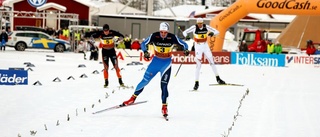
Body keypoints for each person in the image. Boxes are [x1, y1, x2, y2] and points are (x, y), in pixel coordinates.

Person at [122, 22, 189, 117]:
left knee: (164, 85)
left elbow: (184, 44)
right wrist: (145, 51)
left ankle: (164, 107)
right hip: (155, 62)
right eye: (161, 32)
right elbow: (143, 44)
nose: (163, 34)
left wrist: (186, 49)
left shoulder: (172, 37)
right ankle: (132, 99)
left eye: (165, 32)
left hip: (166, 64)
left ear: (167, 31)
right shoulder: (154, 36)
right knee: (145, 81)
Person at [182, 17, 226, 90]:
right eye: (198, 23)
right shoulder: (194, 27)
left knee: (212, 62)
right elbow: (184, 32)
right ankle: (196, 83)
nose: (199, 25)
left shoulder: (206, 27)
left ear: (202, 23)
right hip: (198, 46)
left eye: (201, 23)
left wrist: (212, 33)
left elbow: (217, 32)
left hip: (205, 46)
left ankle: (218, 79)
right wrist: (186, 36)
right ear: (197, 23)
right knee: (198, 65)